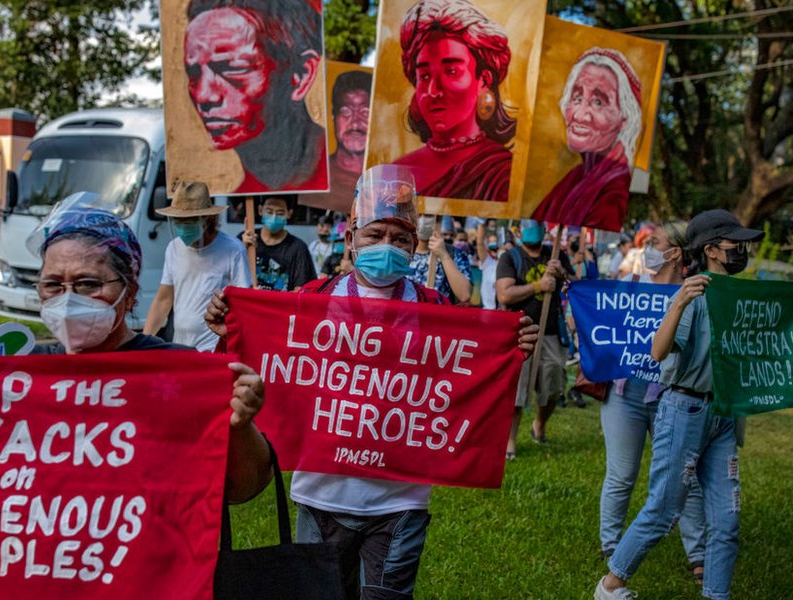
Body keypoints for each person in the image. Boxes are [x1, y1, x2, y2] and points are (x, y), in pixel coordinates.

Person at [205, 164, 539, 599]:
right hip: (320, 498)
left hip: (399, 505)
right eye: (375, 235)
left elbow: (469, 370)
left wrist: (511, 344)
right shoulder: (312, 301)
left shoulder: (434, 308)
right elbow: (259, 363)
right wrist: (230, 329)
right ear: (350, 239)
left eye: (399, 239)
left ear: (415, 247)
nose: (387, 246)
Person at [0, 193, 272, 504]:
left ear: (130, 292)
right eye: (52, 285)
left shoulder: (179, 373)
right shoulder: (20, 375)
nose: (67, 297)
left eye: (89, 284)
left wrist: (238, 424)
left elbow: (244, 489)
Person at [595, 209, 765, 600]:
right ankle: (611, 584)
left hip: (721, 414)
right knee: (663, 510)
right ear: (712, 251)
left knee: (727, 519)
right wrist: (678, 304)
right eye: (734, 243)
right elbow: (657, 352)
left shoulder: (737, 296)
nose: (742, 249)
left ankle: (715, 593)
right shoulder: (694, 295)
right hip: (684, 410)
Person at [596, 220, 707, 580]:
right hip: (625, 396)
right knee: (621, 475)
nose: (648, 248)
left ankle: (699, 556)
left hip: (671, 399)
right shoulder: (629, 287)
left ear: (674, 253)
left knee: (683, 477)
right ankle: (612, 546)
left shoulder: (693, 296)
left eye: (655, 242)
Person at [184, 0, 327, 193]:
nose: (203, 95)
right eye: (193, 74)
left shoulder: (345, 177)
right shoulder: (239, 194)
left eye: (231, 69)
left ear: (300, 76)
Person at [392, 0, 515, 202]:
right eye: (424, 76)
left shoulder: (501, 175)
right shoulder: (394, 172)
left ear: (484, 80)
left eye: (451, 71)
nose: (433, 91)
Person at [531, 48, 643, 231]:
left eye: (598, 102)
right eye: (577, 97)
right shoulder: (576, 176)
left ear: (625, 118)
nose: (580, 115)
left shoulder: (615, 189)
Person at [496, 219, 574, 458]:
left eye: (536, 224)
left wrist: (562, 274)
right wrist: (539, 285)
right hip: (519, 333)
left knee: (552, 387)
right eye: (527, 226)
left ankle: (540, 423)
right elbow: (505, 294)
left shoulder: (555, 255)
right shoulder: (510, 258)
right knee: (516, 392)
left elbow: (575, 285)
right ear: (517, 231)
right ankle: (509, 442)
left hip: (550, 331)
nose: (533, 230)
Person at [144, 181, 252, 351]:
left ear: (207, 219)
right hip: (180, 344)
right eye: (178, 222)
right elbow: (164, 299)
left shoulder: (233, 249)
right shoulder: (173, 248)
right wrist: (144, 342)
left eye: (189, 221)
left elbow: (244, 301)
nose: (183, 228)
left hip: (214, 345)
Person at [309, 70, 372, 213]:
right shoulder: (314, 174)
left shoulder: (385, 183)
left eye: (365, 112)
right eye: (345, 112)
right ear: (333, 115)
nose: (355, 123)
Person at [241, 195, 317, 291]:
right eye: (269, 212)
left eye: (280, 213)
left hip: (280, 305)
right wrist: (241, 249)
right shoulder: (245, 240)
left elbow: (302, 291)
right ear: (260, 210)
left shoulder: (298, 248)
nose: (274, 217)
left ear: (289, 214)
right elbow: (230, 278)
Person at [408, 215, 473, 304]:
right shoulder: (400, 251)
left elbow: (465, 295)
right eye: (419, 214)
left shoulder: (455, 254)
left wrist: (443, 255)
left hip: (439, 316)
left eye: (428, 215)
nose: (423, 219)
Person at [476, 222, 501, 309]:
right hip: (488, 308)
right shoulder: (488, 261)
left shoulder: (507, 262)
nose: (494, 246)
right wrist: (481, 222)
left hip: (502, 310)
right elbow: (479, 243)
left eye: (496, 242)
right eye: (491, 242)